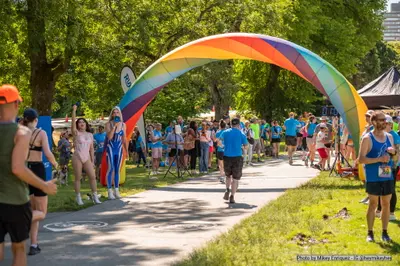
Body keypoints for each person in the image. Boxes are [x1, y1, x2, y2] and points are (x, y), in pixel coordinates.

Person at [0, 84, 57, 266]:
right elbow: (17, 168)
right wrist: (44, 184)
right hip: (15, 198)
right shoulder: (21, 132)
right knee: (19, 249)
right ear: (16, 104)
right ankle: (33, 241)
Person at [22, 108, 59, 256]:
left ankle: (34, 245)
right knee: (42, 212)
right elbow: (48, 153)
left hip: (26, 171)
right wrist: (56, 164)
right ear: (36, 119)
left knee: (33, 211)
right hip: (38, 171)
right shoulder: (41, 133)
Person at [358, 111, 395, 242]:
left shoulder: (389, 137)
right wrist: (379, 158)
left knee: (386, 203)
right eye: (381, 120)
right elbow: (361, 159)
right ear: (374, 122)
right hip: (373, 175)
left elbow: (394, 155)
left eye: (385, 120)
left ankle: (385, 232)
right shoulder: (367, 138)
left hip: (386, 174)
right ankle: (370, 232)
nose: (385, 122)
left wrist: (393, 153)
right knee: (373, 203)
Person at [71, 104, 101, 205]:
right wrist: (74, 111)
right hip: (77, 156)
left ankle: (95, 196)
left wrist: (93, 161)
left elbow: (91, 149)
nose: (81, 123)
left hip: (87, 157)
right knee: (78, 177)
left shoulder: (90, 134)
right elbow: (72, 124)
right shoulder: (76, 133)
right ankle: (78, 197)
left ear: (86, 124)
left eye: (83, 122)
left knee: (92, 176)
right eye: (79, 122)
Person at [375, 115, 399, 221]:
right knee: (382, 188)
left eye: (385, 124)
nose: (383, 126)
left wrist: (393, 165)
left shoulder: (394, 136)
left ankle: (391, 213)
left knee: (390, 189)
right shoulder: (384, 135)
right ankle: (380, 210)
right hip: (384, 165)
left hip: (392, 166)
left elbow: (397, 154)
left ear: (390, 124)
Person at [219, 118, 248, 203]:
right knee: (235, 179)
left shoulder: (225, 132)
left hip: (227, 156)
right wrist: (242, 147)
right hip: (237, 157)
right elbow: (246, 146)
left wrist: (223, 147)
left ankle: (227, 189)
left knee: (228, 176)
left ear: (230, 124)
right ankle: (232, 196)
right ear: (239, 125)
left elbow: (219, 142)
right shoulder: (241, 133)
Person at [105, 107, 128, 200]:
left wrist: (126, 150)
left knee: (117, 169)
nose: (115, 114)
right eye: (114, 113)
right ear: (112, 115)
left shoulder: (123, 125)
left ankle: (117, 190)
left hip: (119, 149)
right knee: (111, 169)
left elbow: (124, 139)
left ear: (120, 114)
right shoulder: (108, 124)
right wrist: (114, 126)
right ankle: (109, 191)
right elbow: (109, 137)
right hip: (110, 148)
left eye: (117, 112)